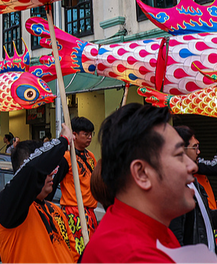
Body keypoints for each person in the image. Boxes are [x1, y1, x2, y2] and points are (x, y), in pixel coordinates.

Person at [80, 103, 197, 264]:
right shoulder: (134, 255)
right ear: (141, 173)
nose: (192, 166)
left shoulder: (151, 230)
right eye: (179, 155)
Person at [0, 127, 78, 264]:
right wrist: (63, 141)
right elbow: (32, 169)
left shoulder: (54, 210)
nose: (52, 173)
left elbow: (73, 254)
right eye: (48, 168)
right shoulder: (9, 207)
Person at [169, 126, 217, 256]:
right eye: (195, 147)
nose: (199, 152)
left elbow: (207, 219)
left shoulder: (194, 184)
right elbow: (176, 242)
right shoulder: (173, 191)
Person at [54, 116, 98, 255]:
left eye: (91, 134)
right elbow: (54, 182)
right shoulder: (66, 157)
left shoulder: (90, 156)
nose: (89, 137)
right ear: (74, 134)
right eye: (85, 134)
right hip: (74, 212)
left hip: (90, 211)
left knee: (91, 251)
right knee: (78, 253)